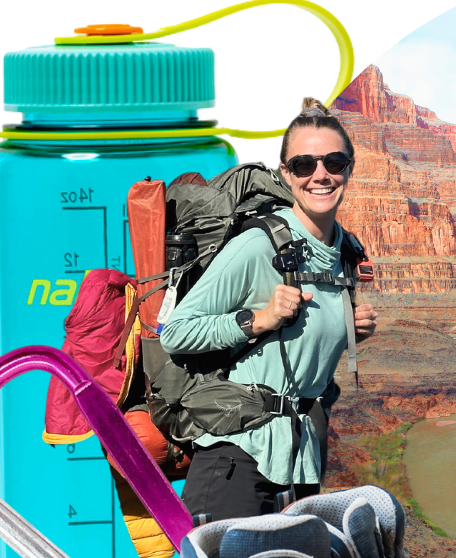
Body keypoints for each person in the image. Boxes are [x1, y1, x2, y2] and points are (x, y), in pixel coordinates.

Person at [160, 99, 378, 521]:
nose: (320, 174)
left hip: (300, 463)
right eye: (303, 165)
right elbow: (176, 332)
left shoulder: (345, 249)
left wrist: (349, 327)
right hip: (236, 463)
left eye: (333, 161)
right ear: (286, 174)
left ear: (349, 169)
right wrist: (258, 319)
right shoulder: (260, 244)